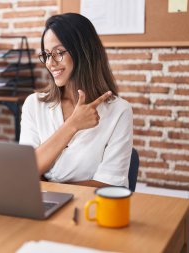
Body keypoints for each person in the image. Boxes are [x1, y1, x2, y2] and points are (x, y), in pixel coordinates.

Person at [19, 13, 133, 188]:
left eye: (59, 53)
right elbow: (26, 171)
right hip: (42, 205)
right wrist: (72, 125)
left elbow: (109, 183)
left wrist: (48, 185)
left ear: (83, 51)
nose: (51, 63)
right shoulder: (34, 104)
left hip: (90, 208)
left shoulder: (119, 110)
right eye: (47, 54)